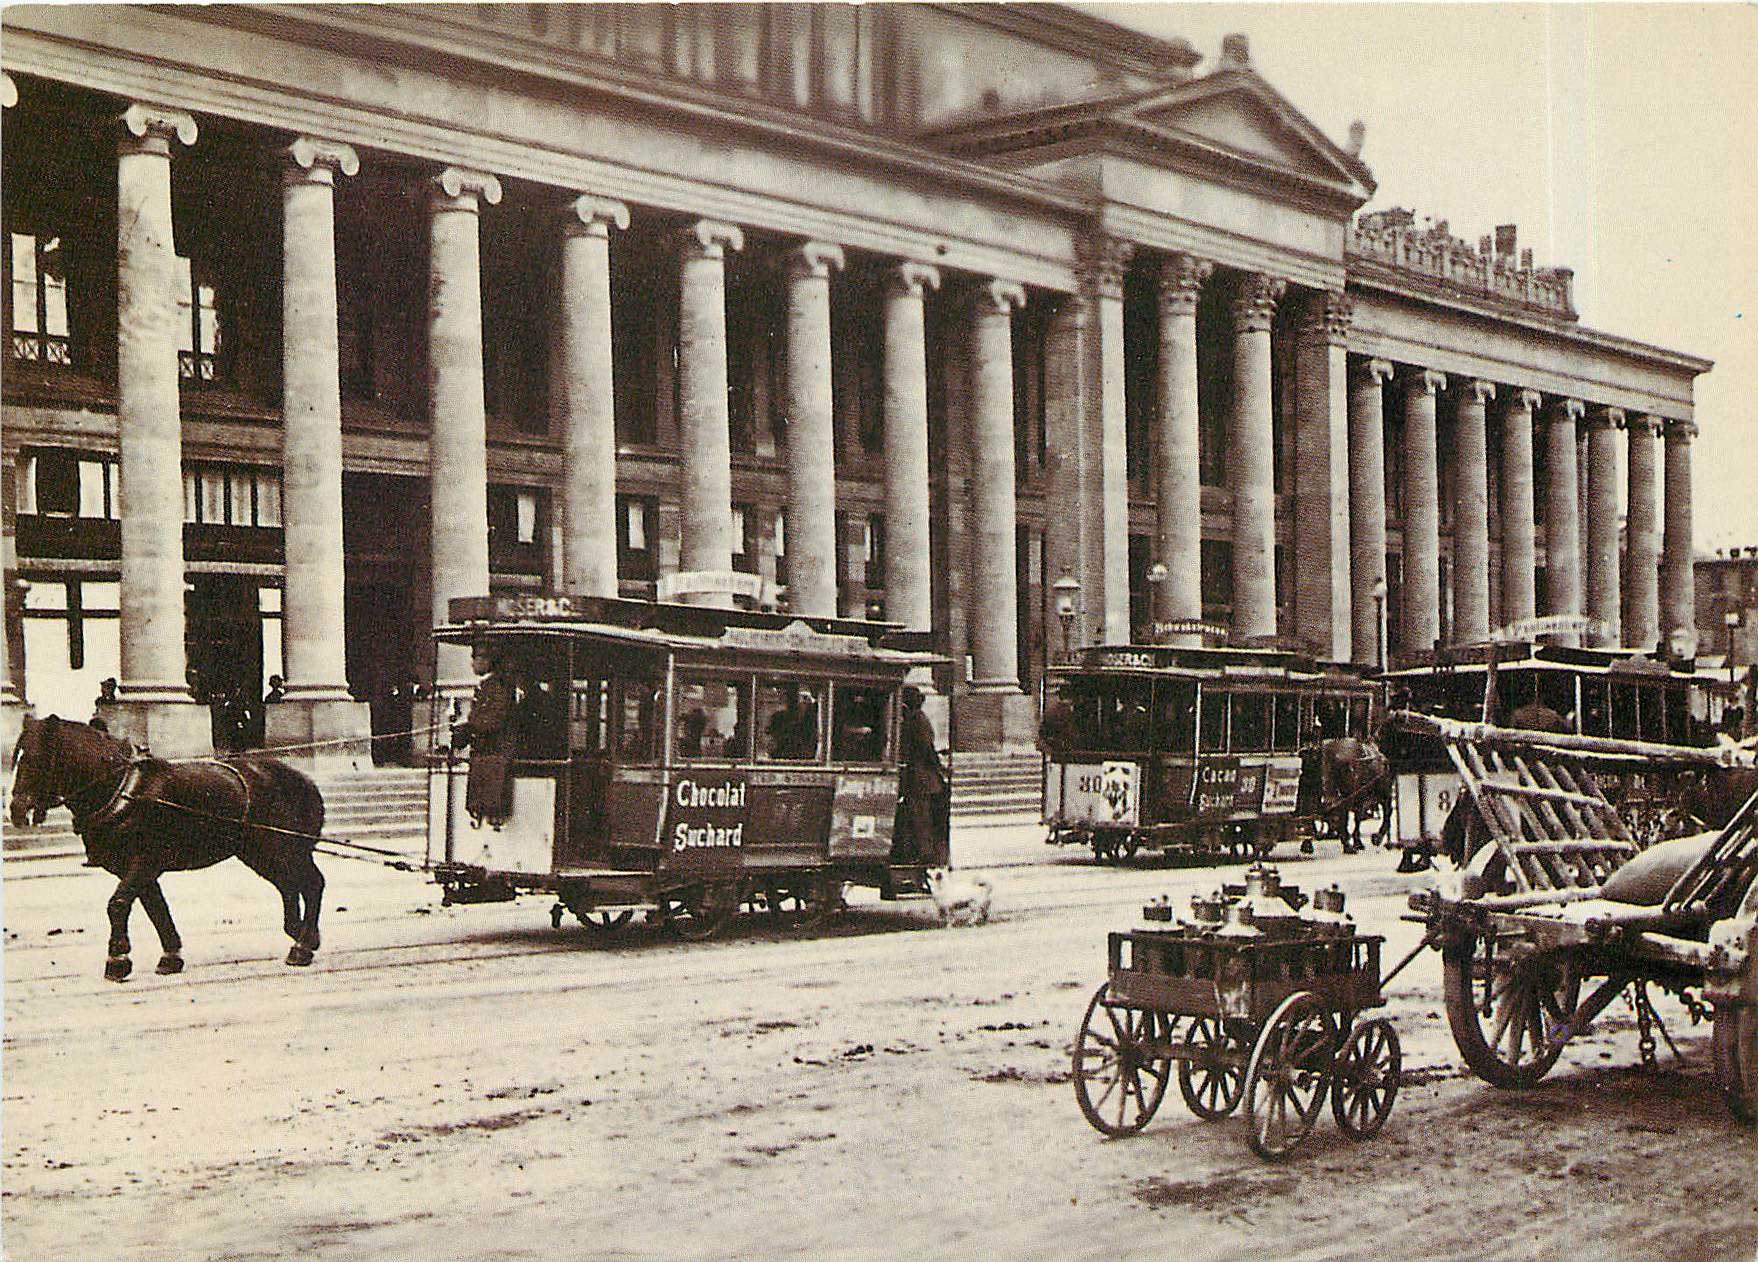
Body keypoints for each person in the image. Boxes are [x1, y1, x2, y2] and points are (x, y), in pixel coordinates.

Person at [452, 642, 518, 827]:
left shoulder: (497, 686)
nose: (472, 663)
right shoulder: (487, 686)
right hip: (485, 752)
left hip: (496, 751)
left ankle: (489, 815)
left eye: (476, 658)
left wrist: (469, 727)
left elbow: (494, 719)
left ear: (488, 661)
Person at [893, 685, 947, 864]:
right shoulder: (915, 719)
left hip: (921, 778)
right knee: (918, 816)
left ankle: (924, 853)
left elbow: (926, 749)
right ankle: (921, 851)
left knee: (921, 817)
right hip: (921, 776)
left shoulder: (916, 719)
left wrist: (938, 767)